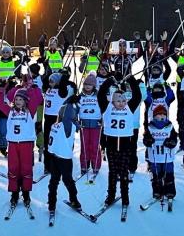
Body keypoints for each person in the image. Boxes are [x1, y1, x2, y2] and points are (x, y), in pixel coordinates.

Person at [98, 75, 143, 212]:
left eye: (123, 100)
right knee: (112, 172)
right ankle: (111, 195)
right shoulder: (107, 108)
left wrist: (131, 80)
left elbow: (138, 96)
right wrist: (110, 80)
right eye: (118, 100)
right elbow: (100, 93)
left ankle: (125, 196)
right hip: (111, 143)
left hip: (125, 144)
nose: (121, 102)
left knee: (124, 172)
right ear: (112, 101)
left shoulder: (129, 108)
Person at [0, 79, 42, 210]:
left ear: (26, 101)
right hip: (13, 144)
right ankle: (14, 193)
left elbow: (38, 98)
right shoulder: (10, 111)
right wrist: (2, 88)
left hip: (26, 144)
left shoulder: (30, 111)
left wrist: (33, 87)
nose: (18, 102)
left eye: (21, 99)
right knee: (14, 168)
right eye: (16, 99)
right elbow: (0, 103)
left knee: (26, 168)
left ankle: (26, 193)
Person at [45, 99, 84, 217]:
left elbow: (65, 111)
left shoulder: (55, 124)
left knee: (54, 181)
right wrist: (74, 104)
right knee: (68, 180)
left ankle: (51, 203)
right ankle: (74, 200)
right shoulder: (68, 126)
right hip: (64, 159)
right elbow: (68, 114)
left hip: (54, 157)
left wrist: (69, 100)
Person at [142, 103, 178, 203]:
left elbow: (174, 138)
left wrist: (171, 142)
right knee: (156, 175)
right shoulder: (150, 127)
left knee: (169, 174)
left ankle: (170, 191)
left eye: (163, 114)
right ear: (154, 116)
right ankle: (157, 191)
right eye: (159, 114)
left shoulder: (170, 126)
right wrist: (148, 141)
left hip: (167, 155)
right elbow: (145, 139)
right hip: (154, 156)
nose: (162, 116)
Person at [76, 74, 104, 181]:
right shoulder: (80, 96)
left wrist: (102, 120)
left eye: (90, 85)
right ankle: (84, 165)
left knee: (95, 145)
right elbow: (76, 109)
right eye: (86, 84)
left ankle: (96, 165)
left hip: (95, 124)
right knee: (84, 146)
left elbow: (103, 108)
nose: (88, 86)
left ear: (94, 86)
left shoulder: (98, 96)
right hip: (84, 124)